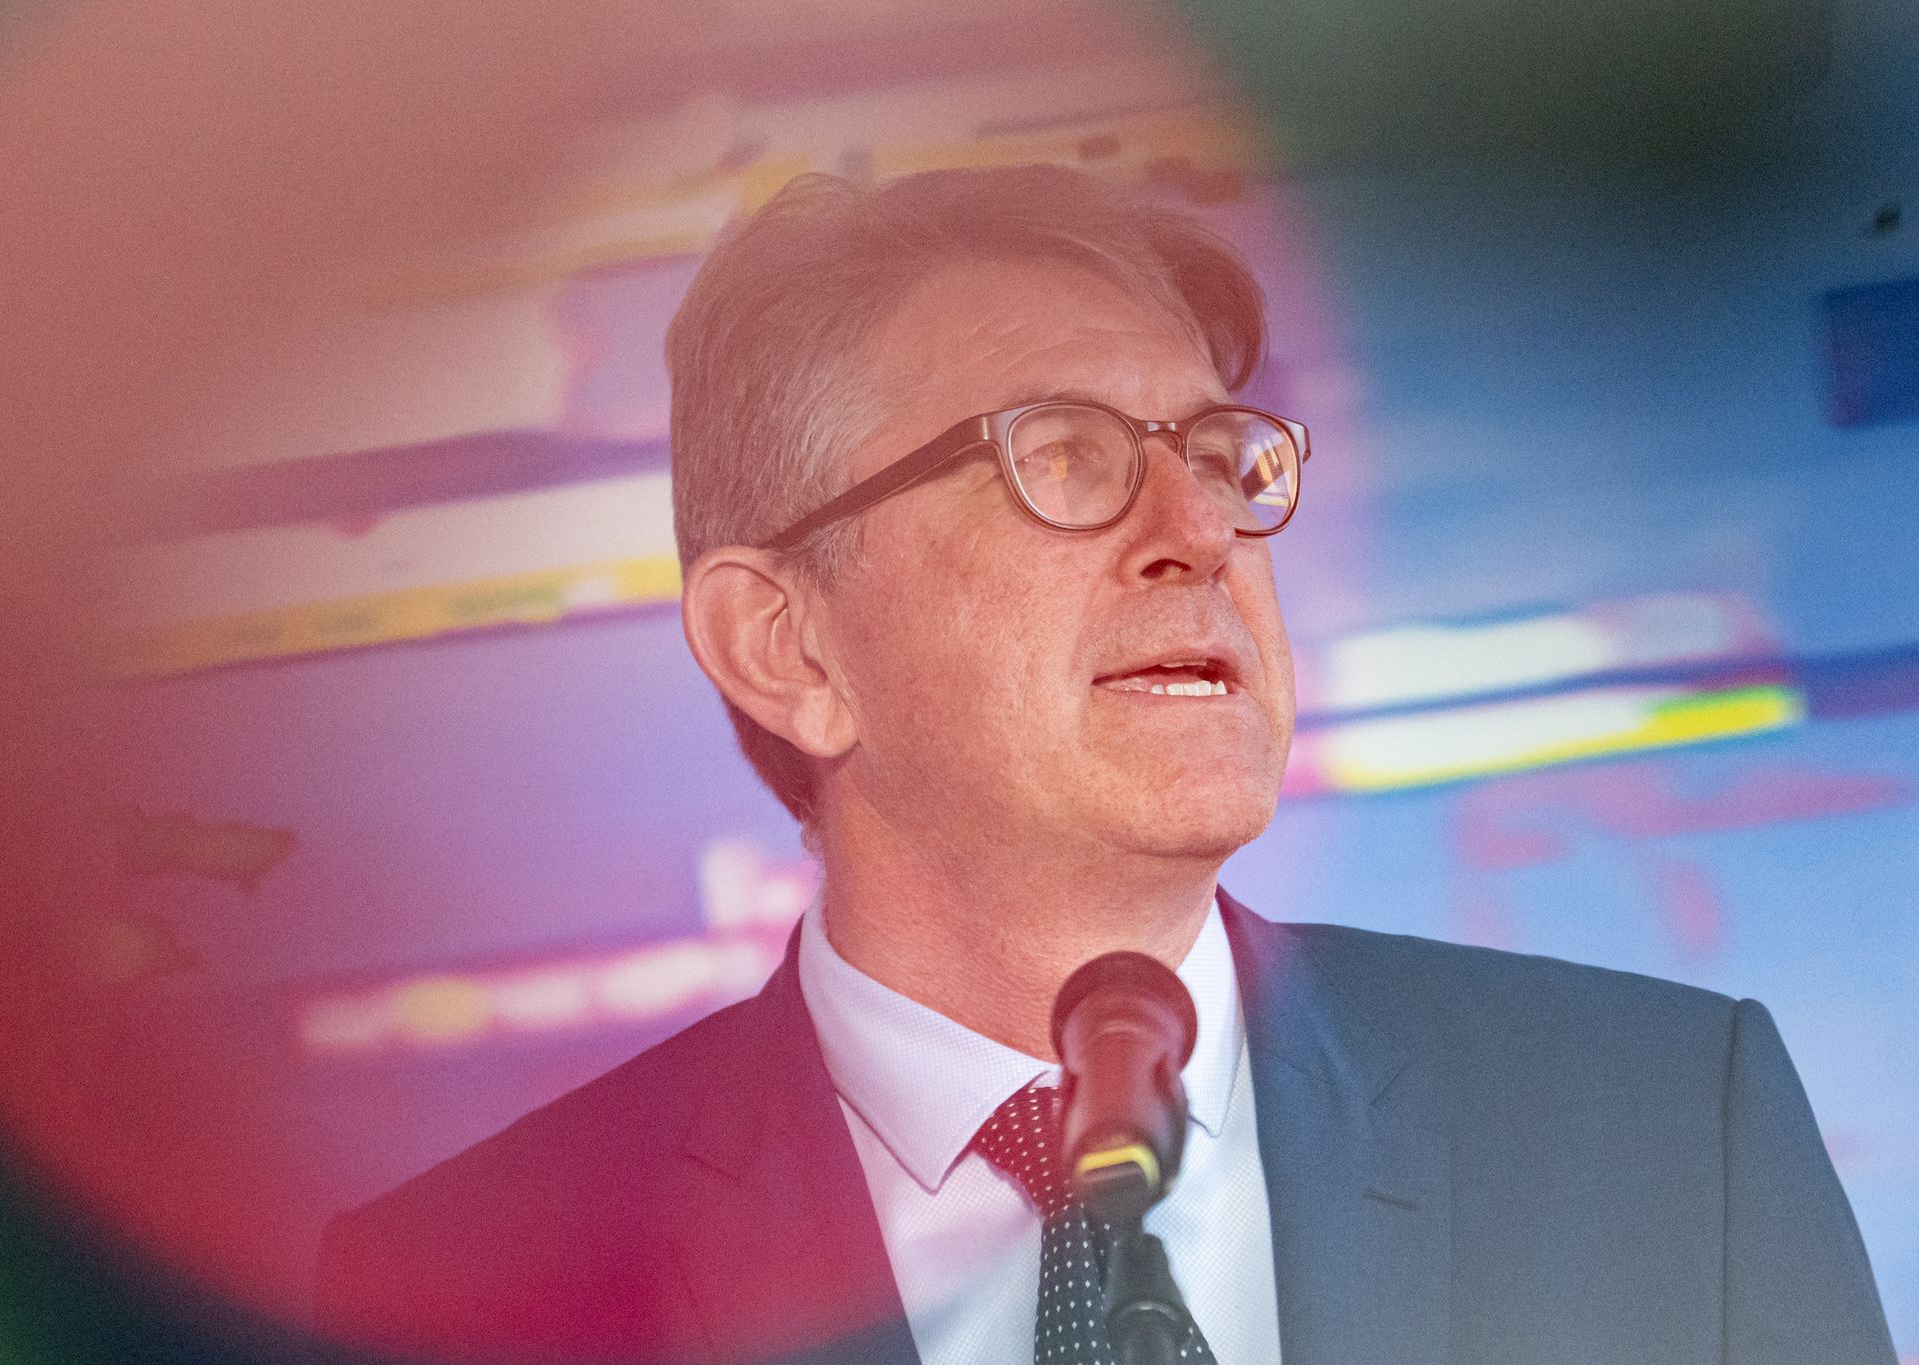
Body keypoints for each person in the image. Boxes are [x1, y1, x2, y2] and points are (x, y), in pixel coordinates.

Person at [315, 165, 1895, 1365]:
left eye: (1217, 456)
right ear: (786, 644)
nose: (1200, 530)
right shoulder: (462, 1294)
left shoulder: (1668, 1136)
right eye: (1061, 455)